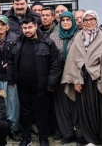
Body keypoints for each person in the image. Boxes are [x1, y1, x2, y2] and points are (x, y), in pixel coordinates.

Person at [62, 10, 102, 146]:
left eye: (92, 19)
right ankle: (91, 140)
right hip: (83, 79)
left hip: (101, 77)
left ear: (97, 20)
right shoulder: (79, 37)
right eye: (86, 20)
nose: (89, 22)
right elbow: (73, 59)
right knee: (86, 110)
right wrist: (76, 80)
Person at [7, 17, 61, 146]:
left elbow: (55, 64)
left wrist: (51, 83)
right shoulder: (17, 42)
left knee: (41, 114)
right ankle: (26, 139)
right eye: (24, 28)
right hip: (23, 86)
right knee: (25, 114)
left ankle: (43, 139)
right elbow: (10, 62)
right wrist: (11, 79)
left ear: (36, 26)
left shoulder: (47, 42)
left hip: (40, 87)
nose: (27, 30)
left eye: (29, 27)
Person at [48, 12, 84, 145]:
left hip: (74, 75)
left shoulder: (79, 36)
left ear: (73, 21)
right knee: (61, 106)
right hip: (59, 75)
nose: (65, 22)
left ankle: (81, 134)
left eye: (68, 20)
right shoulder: (54, 36)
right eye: (63, 20)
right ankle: (68, 133)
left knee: (77, 105)